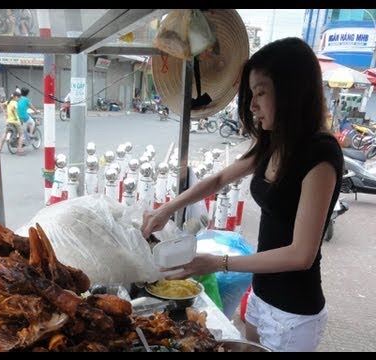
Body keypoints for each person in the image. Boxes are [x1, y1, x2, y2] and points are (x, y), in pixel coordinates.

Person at [140, 37, 343, 352]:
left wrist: (219, 262)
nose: (252, 106)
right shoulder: (274, 144)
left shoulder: (320, 155)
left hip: (294, 313)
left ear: (291, 92)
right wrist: (168, 208)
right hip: (261, 296)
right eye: (251, 94)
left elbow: (300, 254)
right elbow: (219, 178)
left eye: (260, 93)